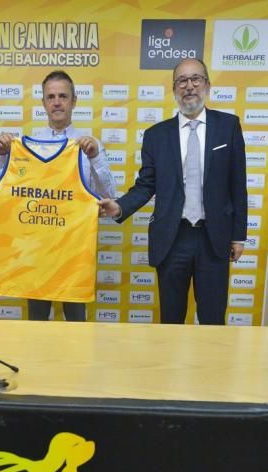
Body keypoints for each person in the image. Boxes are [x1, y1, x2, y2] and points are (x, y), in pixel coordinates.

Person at [99, 58, 247, 325]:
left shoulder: (229, 126)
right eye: (182, 80)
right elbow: (146, 184)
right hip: (172, 239)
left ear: (207, 84)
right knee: (171, 321)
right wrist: (120, 207)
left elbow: (238, 185)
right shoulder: (156, 135)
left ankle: (211, 368)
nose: (189, 86)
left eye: (196, 79)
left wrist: (238, 236)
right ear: (174, 89)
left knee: (214, 322)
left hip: (214, 240)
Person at [0, 70, 115, 321]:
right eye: (51, 97)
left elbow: (110, 196)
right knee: (36, 322)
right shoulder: (26, 144)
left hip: (75, 253)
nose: (57, 102)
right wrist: (2, 155)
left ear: (74, 101)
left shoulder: (89, 145)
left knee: (77, 322)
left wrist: (95, 157)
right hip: (36, 251)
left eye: (63, 96)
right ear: (43, 102)